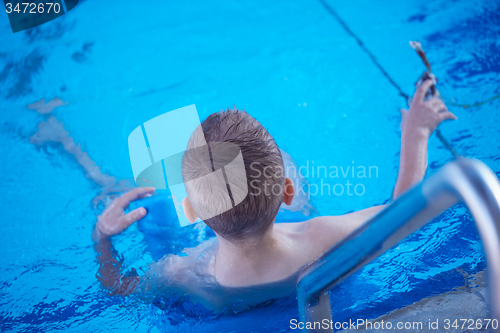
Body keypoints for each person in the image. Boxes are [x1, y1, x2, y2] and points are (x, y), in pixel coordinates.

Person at [93, 79, 456, 299]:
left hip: (223, 299)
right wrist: (416, 136)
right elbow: (402, 210)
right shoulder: (322, 237)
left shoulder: (183, 273)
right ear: (285, 193)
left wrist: (102, 237)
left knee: (119, 188)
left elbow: (119, 287)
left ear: (192, 213)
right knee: (285, 161)